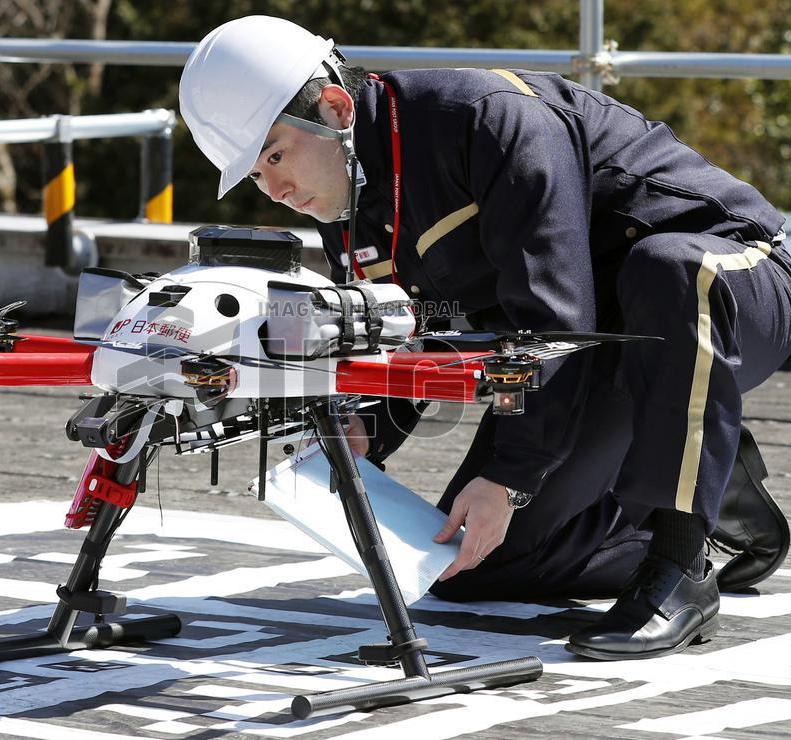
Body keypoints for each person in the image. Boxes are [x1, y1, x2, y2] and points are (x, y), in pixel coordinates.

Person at [179, 15, 791, 660]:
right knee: (479, 566)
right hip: (614, 345)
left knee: (668, 269)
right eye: (254, 175)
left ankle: (680, 559)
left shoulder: (490, 117)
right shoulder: (345, 191)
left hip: (737, 280)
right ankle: (727, 512)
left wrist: (509, 476)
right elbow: (407, 326)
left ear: (334, 109)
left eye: (274, 157)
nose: (274, 191)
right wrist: (369, 426)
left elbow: (552, 315)